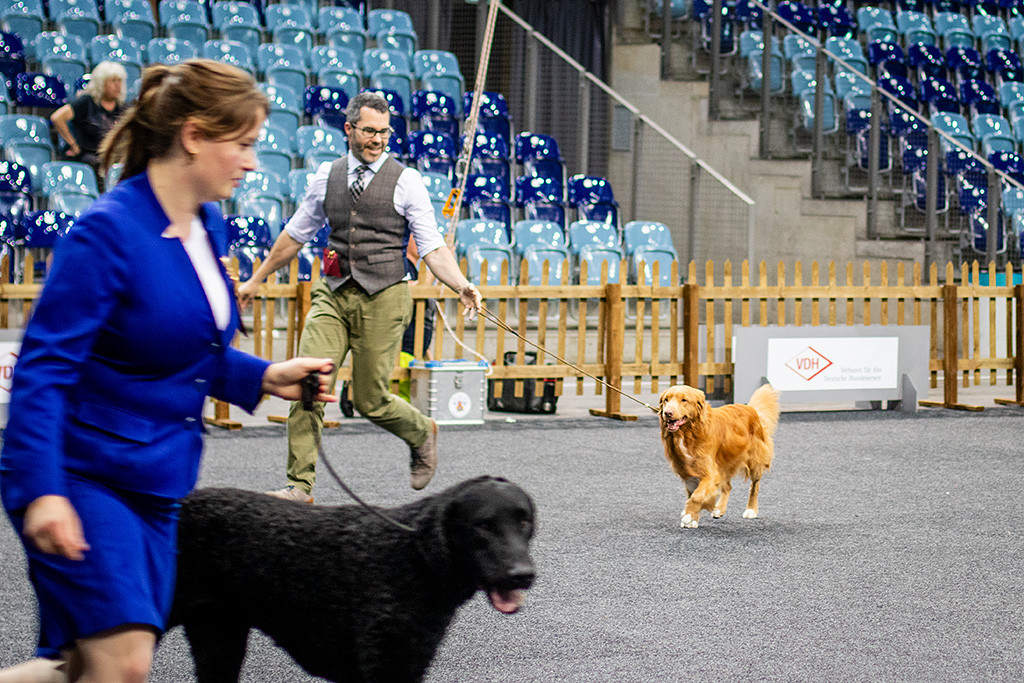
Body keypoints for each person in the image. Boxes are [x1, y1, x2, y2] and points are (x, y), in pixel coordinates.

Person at [0, 59, 333, 683]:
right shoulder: (107, 234)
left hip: (160, 485)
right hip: (83, 476)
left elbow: (176, 343)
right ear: (194, 136)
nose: (254, 161)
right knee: (124, 666)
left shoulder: (209, 223)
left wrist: (260, 376)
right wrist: (44, 490)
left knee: (82, 667)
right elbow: (42, 373)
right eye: (244, 144)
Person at [238, 91, 482, 503]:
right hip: (332, 292)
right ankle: (299, 487)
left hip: (385, 295)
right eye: (369, 131)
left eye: (384, 132)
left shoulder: (407, 181)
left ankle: (422, 431)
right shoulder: (326, 177)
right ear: (349, 129)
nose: (378, 140)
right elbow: (295, 235)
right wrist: (256, 279)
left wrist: (461, 284)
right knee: (309, 382)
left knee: (371, 400)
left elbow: (432, 248)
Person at [50, 61, 128, 174]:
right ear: (101, 83)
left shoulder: (122, 108)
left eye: (119, 81)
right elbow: (57, 117)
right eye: (113, 81)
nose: (117, 85)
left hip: (112, 157)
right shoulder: (86, 102)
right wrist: (73, 144)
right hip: (88, 156)